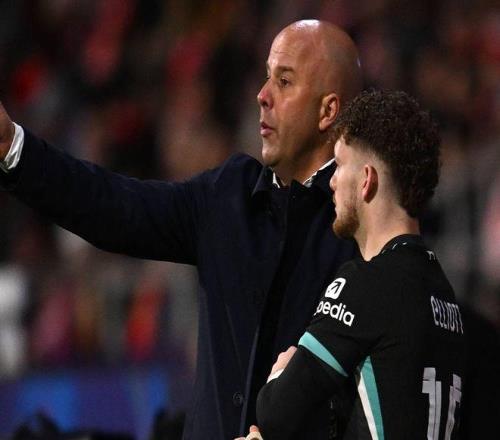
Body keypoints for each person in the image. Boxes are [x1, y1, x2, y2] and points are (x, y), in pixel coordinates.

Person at [0, 20, 362, 439]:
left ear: (327, 111)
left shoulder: (363, 225)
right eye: (266, 77)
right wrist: (13, 147)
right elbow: (115, 207)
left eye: (284, 81)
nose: (262, 96)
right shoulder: (228, 197)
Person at [248, 90, 466, 439]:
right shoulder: (445, 294)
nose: (332, 181)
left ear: (367, 179)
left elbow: (276, 412)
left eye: (338, 164)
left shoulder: (367, 283)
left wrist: (282, 371)